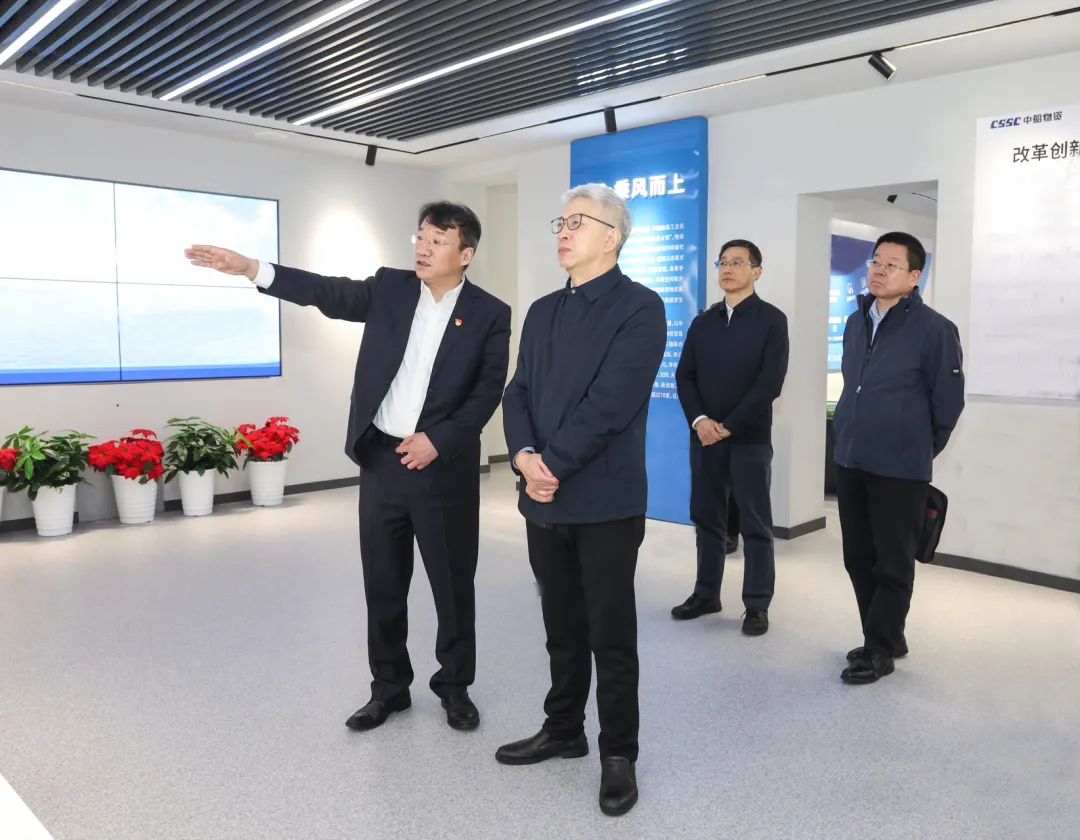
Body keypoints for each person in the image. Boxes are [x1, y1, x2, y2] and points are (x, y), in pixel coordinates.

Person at [184, 202, 511, 728]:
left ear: (466, 254)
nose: (423, 248)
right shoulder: (391, 288)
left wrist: (438, 440)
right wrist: (252, 269)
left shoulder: (490, 313)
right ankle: (389, 688)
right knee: (383, 583)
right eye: (421, 237)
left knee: (452, 585)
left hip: (441, 467)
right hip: (382, 459)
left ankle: (454, 687)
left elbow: (487, 390)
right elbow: (326, 292)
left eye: (438, 241)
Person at [497, 183, 665, 817]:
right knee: (560, 626)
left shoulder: (640, 308)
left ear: (611, 238)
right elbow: (518, 392)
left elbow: (612, 403)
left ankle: (618, 753)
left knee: (610, 633)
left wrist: (552, 465)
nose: (563, 233)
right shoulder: (543, 310)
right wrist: (524, 458)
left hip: (604, 501)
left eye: (577, 223)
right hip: (543, 498)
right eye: (561, 223)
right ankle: (563, 728)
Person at [833, 231, 964, 684]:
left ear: (914, 276)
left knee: (893, 562)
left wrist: (918, 448)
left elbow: (948, 403)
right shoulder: (856, 321)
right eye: (876, 261)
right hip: (852, 458)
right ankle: (885, 634)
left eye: (892, 264)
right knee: (857, 557)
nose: (879, 270)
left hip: (900, 467)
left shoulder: (935, 329)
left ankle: (879, 649)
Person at [672, 239, 788, 635]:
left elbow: (769, 383)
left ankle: (756, 604)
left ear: (757, 271)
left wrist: (728, 426)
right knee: (707, 518)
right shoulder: (703, 322)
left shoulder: (772, 320)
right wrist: (701, 421)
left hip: (748, 439)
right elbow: (684, 376)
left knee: (755, 524)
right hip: (704, 438)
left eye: (737, 262)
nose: (727, 268)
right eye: (723, 262)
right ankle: (706, 594)